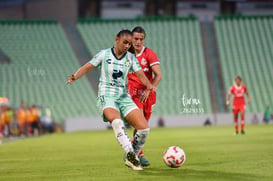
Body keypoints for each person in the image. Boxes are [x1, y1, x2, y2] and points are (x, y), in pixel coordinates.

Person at [66, 29, 157, 171]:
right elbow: (88, 66)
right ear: (117, 39)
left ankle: (132, 156)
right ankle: (131, 154)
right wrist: (75, 76)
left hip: (124, 97)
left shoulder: (131, 58)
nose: (127, 46)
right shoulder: (104, 54)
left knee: (144, 129)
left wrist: (149, 85)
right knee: (117, 121)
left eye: (129, 43)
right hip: (106, 95)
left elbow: (140, 74)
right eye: (125, 42)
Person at [127, 26, 162, 166]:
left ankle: (133, 150)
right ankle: (138, 154)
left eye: (141, 39)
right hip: (134, 93)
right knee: (141, 124)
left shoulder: (149, 54)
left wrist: (148, 89)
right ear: (131, 39)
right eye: (136, 38)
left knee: (143, 125)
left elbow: (158, 75)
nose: (138, 41)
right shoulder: (127, 54)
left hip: (148, 94)